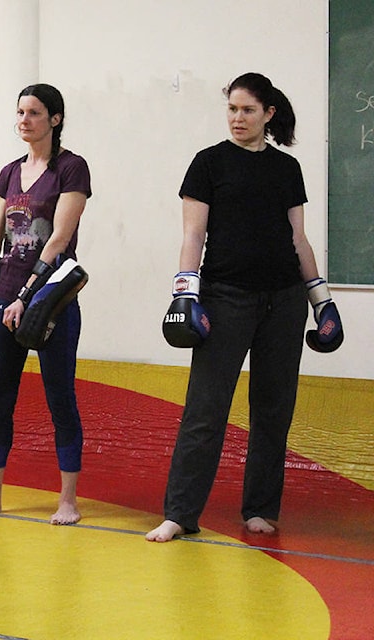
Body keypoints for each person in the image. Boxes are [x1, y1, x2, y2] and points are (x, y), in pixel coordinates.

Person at [146, 72, 343, 543]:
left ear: (268, 114)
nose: (238, 118)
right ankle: (180, 513)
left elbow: (298, 239)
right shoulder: (209, 163)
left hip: (285, 302)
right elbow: (194, 235)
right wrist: (184, 294)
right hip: (224, 298)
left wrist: (323, 301)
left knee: (274, 409)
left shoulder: (286, 169)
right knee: (205, 408)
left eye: (248, 110)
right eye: (232, 109)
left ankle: (259, 508)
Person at [0, 83, 91, 525]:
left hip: (50, 301)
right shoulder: (9, 173)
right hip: (3, 301)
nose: (23, 121)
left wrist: (26, 298)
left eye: (33, 113)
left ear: (55, 119)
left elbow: (59, 240)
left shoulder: (72, 169)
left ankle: (67, 500)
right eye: (19, 113)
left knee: (60, 399)